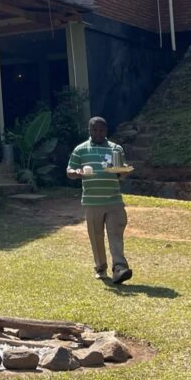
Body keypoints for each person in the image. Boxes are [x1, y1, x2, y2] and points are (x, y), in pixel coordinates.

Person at [66, 117, 133, 284]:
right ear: (89, 130)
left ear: (106, 131)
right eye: (95, 130)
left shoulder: (115, 149)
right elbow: (69, 170)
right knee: (96, 237)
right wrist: (77, 173)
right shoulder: (80, 150)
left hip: (113, 201)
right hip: (92, 202)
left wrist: (123, 171)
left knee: (115, 234)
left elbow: (121, 171)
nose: (98, 133)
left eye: (101, 130)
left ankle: (120, 268)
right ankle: (100, 268)